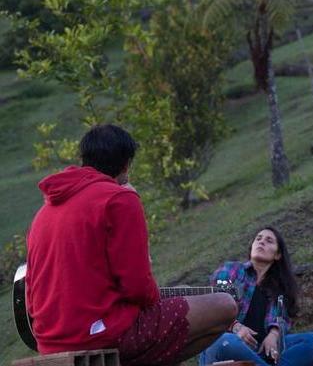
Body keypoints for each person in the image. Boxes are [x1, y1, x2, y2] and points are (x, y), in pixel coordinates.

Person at [25, 124, 236, 365]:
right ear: (126, 164)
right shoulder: (119, 198)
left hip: (49, 342)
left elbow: (31, 294)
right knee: (224, 305)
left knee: (179, 304)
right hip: (99, 336)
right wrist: (155, 297)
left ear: (85, 160)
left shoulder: (45, 211)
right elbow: (136, 287)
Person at [199, 225, 313, 366]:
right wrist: (236, 328)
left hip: (261, 351)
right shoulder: (232, 270)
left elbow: (282, 319)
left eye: (269, 241)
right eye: (258, 239)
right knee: (226, 341)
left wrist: (273, 335)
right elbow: (216, 306)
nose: (261, 242)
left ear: (277, 255)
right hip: (227, 345)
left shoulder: (279, 288)